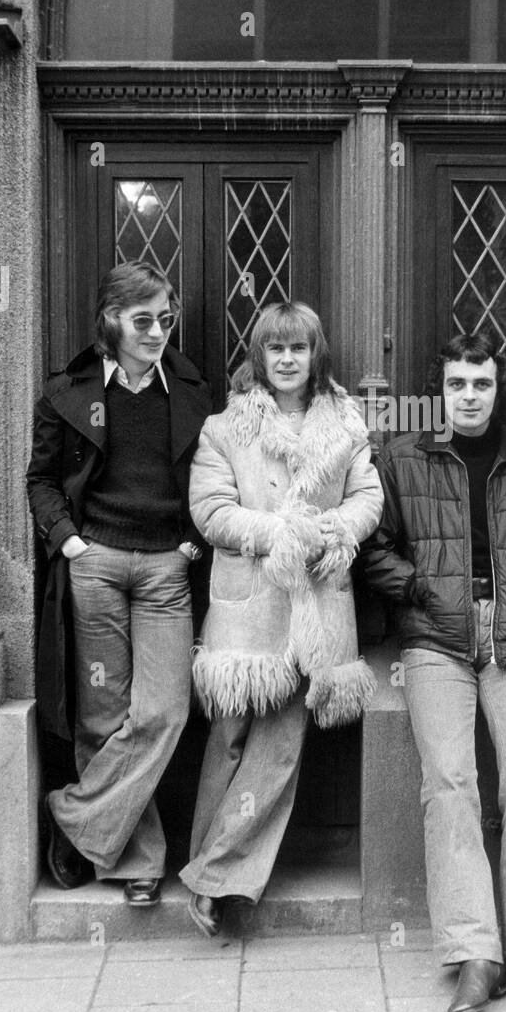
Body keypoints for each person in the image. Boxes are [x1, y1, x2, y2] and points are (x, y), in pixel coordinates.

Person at [360, 331, 506, 1012]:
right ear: (441, 391)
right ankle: (475, 954)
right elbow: (372, 547)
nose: (470, 396)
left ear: (498, 388)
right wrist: (421, 589)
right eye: (457, 384)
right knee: (449, 785)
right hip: (436, 639)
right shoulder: (402, 459)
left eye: (482, 384)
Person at [181, 302, 383, 937]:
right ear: (260, 356)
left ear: (315, 354)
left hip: (314, 609)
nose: (288, 359)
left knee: (278, 748)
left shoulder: (345, 424)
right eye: (277, 348)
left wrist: (333, 530)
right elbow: (211, 511)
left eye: (299, 348)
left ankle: (218, 878)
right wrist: (280, 533)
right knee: (228, 739)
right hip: (249, 609)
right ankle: (205, 863)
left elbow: (368, 497)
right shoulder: (225, 428)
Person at [26, 260, 212, 906]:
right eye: (143, 320)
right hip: (96, 564)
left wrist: (192, 542)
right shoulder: (67, 392)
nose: (157, 332)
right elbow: (41, 479)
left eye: (166, 319)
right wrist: (68, 541)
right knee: (104, 715)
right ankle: (136, 861)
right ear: (111, 320)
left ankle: (72, 814)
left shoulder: (190, 391)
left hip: (166, 570)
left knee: (165, 711)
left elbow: (212, 476)